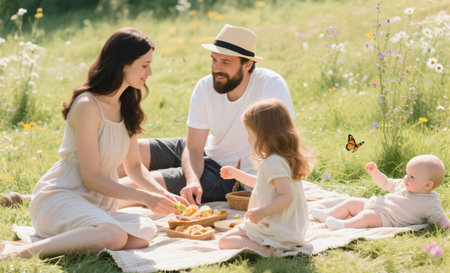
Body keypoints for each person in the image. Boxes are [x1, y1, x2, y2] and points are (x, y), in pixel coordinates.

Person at [0, 28, 188, 260]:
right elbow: (92, 178)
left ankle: (74, 239)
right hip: (62, 197)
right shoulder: (88, 105)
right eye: (144, 65)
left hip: (98, 204)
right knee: (115, 236)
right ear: (123, 65)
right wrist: (145, 198)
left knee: (146, 230)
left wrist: (162, 195)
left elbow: (135, 167)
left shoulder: (126, 106)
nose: (150, 72)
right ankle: (21, 252)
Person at [119, 24, 295, 204]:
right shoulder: (205, 86)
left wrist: (273, 186)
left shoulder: (269, 86)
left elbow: (284, 145)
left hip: (230, 175)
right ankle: (91, 181)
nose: (216, 68)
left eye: (225, 62)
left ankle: (93, 203)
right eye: (214, 59)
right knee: (124, 150)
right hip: (206, 150)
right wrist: (192, 179)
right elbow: (194, 147)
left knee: (130, 186)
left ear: (247, 64)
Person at [218, 100, 314, 256]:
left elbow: (286, 196)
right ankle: (269, 246)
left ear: (264, 135)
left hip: (277, 228)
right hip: (286, 227)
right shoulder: (281, 158)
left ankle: (267, 251)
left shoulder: (273, 162)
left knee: (225, 241)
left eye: (249, 133)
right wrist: (237, 174)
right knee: (230, 236)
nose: (248, 138)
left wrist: (262, 212)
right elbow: (262, 185)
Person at [311, 155, 450, 230]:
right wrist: (374, 172)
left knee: (366, 217)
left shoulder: (430, 203)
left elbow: (440, 218)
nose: (406, 178)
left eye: (412, 177)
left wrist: (446, 225)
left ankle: (342, 225)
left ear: (427, 185)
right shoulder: (403, 184)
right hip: (374, 204)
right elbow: (385, 183)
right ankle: (328, 214)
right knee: (352, 202)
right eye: (407, 173)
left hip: (386, 218)